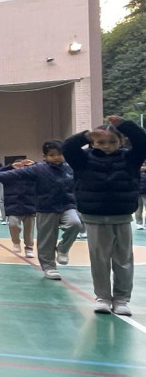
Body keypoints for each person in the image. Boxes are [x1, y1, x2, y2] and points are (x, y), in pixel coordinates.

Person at [62, 117, 146, 316]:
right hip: (94, 218)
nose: (106, 146)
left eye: (112, 142)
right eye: (100, 142)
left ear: (121, 141)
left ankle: (122, 299)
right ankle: (103, 298)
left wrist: (125, 125)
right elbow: (68, 147)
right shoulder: (83, 160)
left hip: (122, 217)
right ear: (93, 143)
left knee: (123, 260)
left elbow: (143, 142)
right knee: (99, 260)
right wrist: (85, 135)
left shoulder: (130, 159)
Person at [0, 140, 81, 280]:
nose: (56, 157)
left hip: (67, 206)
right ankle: (49, 267)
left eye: (59, 154)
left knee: (75, 224)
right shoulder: (39, 169)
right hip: (46, 208)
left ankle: (63, 249)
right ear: (45, 157)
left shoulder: (70, 168)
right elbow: (15, 174)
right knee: (46, 239)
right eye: (52, 155)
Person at [0, 159, 36, 256]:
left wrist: (34, 164)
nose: (21, 168)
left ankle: (29, 247)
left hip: (29, 205)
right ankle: (16, 241)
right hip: (13, 205)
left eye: (23, 166)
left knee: (29, 229)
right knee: (13, 224)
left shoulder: (32, 176)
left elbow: (45, 170)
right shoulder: (9, 177)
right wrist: (9, 166)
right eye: (18, 166)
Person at [136, 163, 146, 231]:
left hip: (139, 192)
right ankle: (140, 224)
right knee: (139, 208)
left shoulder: (136, 173)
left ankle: (139, 224)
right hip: (141, 193)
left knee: (139, 208)